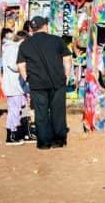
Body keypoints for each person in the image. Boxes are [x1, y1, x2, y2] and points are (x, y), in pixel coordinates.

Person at [17, 16, 71, 149]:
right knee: (57, 111)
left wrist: (27, 79)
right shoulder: (57, 40)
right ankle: (58, 140)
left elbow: (21, 65)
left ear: (32, 29)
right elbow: (67, 58)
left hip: (37, 83)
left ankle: (44, 142)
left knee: (40, 113)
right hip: (57, 81)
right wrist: (67, 75)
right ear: (45, 26)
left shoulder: (25, 44)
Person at [1, 30, 30, 145]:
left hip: (16, 86)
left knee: (18, 110)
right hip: (13, 86)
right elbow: (14, 65)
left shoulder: (12, 49)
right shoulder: (13, 49)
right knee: (14, 110)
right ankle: (11, 135)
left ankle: (16, 133)